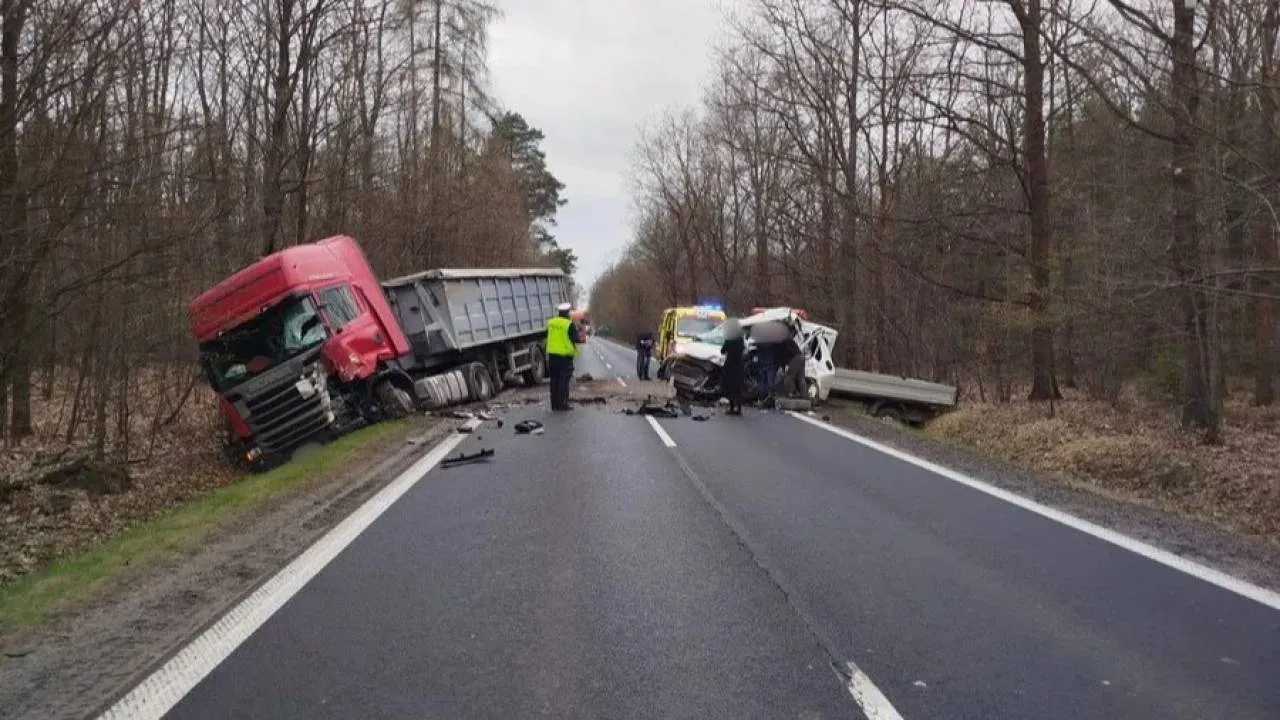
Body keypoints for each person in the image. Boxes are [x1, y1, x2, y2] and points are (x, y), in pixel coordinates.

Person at [545, 302, 579, 410]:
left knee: (554, 380)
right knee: (563, 381)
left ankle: (554, 404)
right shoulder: (569, 324)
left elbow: (547, 335)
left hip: (552, 356)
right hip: (565, 357)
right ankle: (563, 403)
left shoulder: (551, 323)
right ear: (567, 313)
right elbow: (575, 339)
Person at [719, 318, 745, 415]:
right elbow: (743, 349)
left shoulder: (730, 338)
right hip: (739, 365)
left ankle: (732, 407)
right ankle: (739, 408)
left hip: (730, 365)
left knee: (729, 387)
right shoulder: (740, 339)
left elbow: (723, 350)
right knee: (738, 387)